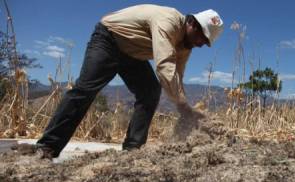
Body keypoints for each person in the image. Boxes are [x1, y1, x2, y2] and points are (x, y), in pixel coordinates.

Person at [33, 4, 223, 159]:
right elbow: (165, 66)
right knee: (85, 90)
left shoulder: (185, 47)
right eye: (202, 38)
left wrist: (184, 105)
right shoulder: (168, 21)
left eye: (206, 42)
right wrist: (183, 106)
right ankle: (47, 146)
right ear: (192, 23)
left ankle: (132, 150)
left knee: (150, 92)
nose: (201, 44)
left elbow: (177, 77)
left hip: (132, 54)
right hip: (109, 39)